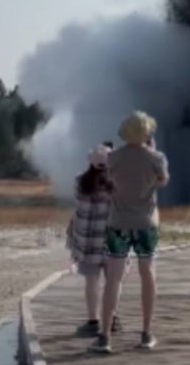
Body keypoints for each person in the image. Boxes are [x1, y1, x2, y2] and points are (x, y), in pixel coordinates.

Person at [90, 111, 170, 353]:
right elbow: (163, 181)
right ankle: (146, 334)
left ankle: (104, 336)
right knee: (148, 276)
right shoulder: (157, 158)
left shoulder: (113, 158)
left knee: (113, 279)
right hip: (146, 224)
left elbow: (106, 180)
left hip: (118, 223)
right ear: (147, 133)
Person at [66, 144, 122, 336]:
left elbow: (78, 209)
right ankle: (112, 318)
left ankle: (93, 320)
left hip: (87, 243)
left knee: (91, 282)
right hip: (112, 242)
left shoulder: (79, 181)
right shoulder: (117, 183)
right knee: (113, 282)